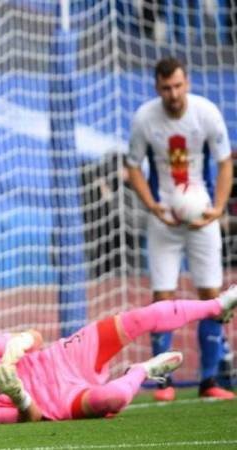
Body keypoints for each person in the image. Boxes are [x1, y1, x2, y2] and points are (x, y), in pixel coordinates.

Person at [0, 286, 237, 424]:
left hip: (62, 358)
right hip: (60, 400)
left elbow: (36, 337)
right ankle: (141, 371)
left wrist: (18, 343)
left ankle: (217, 306)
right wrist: (18, 395)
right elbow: (31, 419)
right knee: (110, 400)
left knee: (136, 319)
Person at [125, 57, 234, 401]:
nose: (173, 93)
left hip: (202, 217)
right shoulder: (145, 118)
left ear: (186, 83)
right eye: (166, 88)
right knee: (162, 298)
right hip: (163, 219)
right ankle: (163, 381)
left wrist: (217, 209)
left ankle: (210, 380)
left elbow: (225, 162)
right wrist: (153, 206)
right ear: (157, 88)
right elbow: (133, 168)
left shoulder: (206, 114)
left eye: (178, 85)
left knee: (212, 297)